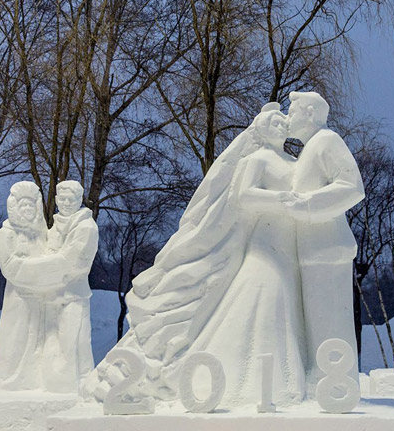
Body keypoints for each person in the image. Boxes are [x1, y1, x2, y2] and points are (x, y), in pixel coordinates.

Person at [84, 103, 307, 406]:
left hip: (289, 240)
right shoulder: (257, 159)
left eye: (282, 123)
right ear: (260, 132)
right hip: (265, 239)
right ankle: (248, 382)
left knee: (286, 300)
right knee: (265, 293)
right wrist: (281, 198)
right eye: (272, 124)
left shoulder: (294, 160)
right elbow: (243, 195)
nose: (280, 127)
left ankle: (282, 378)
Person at [283, 91, 365, 383]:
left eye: (292, 112)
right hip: (310, 251)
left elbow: (352, 187)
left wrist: (306, 205)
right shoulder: (308, 149)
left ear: (309, 113)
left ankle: (338, 385)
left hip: (327, 250)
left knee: (331, 324)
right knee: (317, 326)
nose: (287, 117)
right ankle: (323, 383)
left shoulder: (327, 141)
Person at [0, 182, 66, 391]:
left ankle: (33, 379)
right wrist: (43, 271)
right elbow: (10, 267)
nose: (27, 210)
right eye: (23, 206)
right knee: (16, 339)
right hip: (19, 299)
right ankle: (10, 380)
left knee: (37, 341)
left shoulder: (41, 235)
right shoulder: (6, 234)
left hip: (41, 300)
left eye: (31, 206)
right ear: (15, 207)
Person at [45, 180, 98, 393]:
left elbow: (74, 262)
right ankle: (68, 386)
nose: (66, 203)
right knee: (60, 345)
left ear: (79, 201)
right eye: (63, 199)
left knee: (76, 343)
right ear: (56, 201)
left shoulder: (86, 227)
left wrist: (49, 267)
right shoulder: (55, 227)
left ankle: (81, 386)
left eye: (72, 199)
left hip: (74, 295)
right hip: (52, 295)